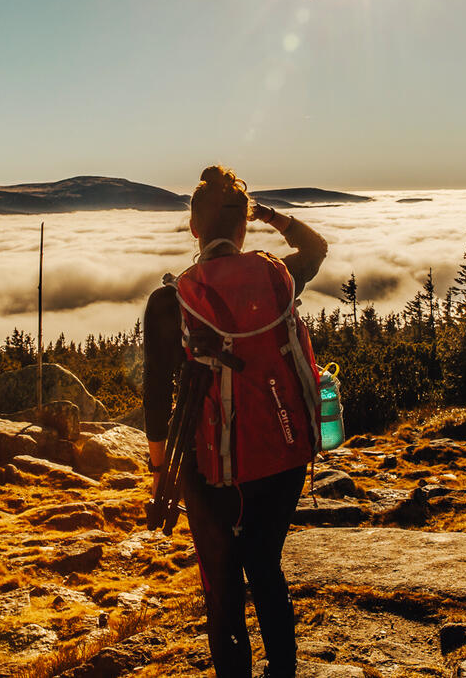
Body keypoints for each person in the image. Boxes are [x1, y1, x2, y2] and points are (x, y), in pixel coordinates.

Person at [143, 165, 328, 678]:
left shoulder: (170, 301)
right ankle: (282, 669)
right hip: (283, 452)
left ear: (193, 228)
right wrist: (269, 215)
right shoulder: (276, 279)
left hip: (209, 466)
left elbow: (156, 395)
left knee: (222, 583)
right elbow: (316, 248)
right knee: (265, 564)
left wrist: (159, 471)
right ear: (244, 226)